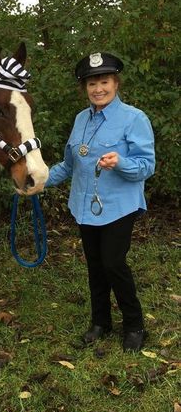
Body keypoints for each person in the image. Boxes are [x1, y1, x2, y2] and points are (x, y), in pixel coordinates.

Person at [45, 52, 155, 352]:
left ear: (115, 83)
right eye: (92, 83)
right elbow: (68, 165)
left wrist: (120, 162)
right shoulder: (81, 119)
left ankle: (135, 326)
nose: (98, 89)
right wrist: (39, 180)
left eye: (104, 81)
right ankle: (100, 322)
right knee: (95, 266)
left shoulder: (134, 118)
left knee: (113, 263)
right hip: (84, 206)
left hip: (120, 206)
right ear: (85, 88)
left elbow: (147, 166)